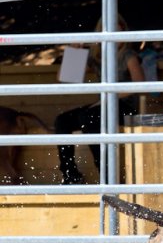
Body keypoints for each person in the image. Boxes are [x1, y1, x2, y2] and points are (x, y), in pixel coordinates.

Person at [55, 16, 145, 185]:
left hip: (124, 106)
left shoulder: (128, 55)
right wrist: (74, 53)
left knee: (89, 117)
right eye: (108, 30)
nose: (113, 35)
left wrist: (110, 95)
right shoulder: (98, 56)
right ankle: (70, 174)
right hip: (102, 106)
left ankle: (107, 176)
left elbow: (140, 85)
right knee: (63, 120)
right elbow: (66, 78)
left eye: (117, 30)